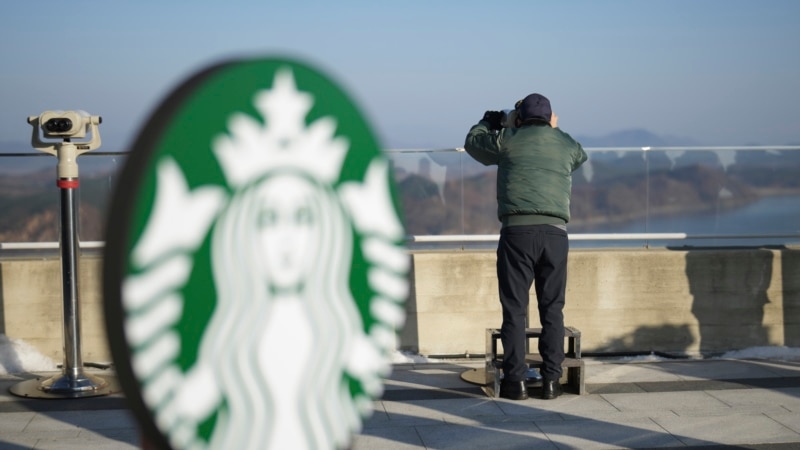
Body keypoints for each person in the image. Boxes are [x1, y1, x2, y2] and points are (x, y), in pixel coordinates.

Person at [464, 93, 588, 400]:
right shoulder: (564, 143)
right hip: (556, 235)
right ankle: (551, 382)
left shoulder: (507, 138)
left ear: (519, 119)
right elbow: (579, 155)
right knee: (553, 309)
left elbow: (473, 143)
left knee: (515, 310)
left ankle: (515, 382)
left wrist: (489, 122)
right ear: (549, 118)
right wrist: (554, 131)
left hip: (517, 233)